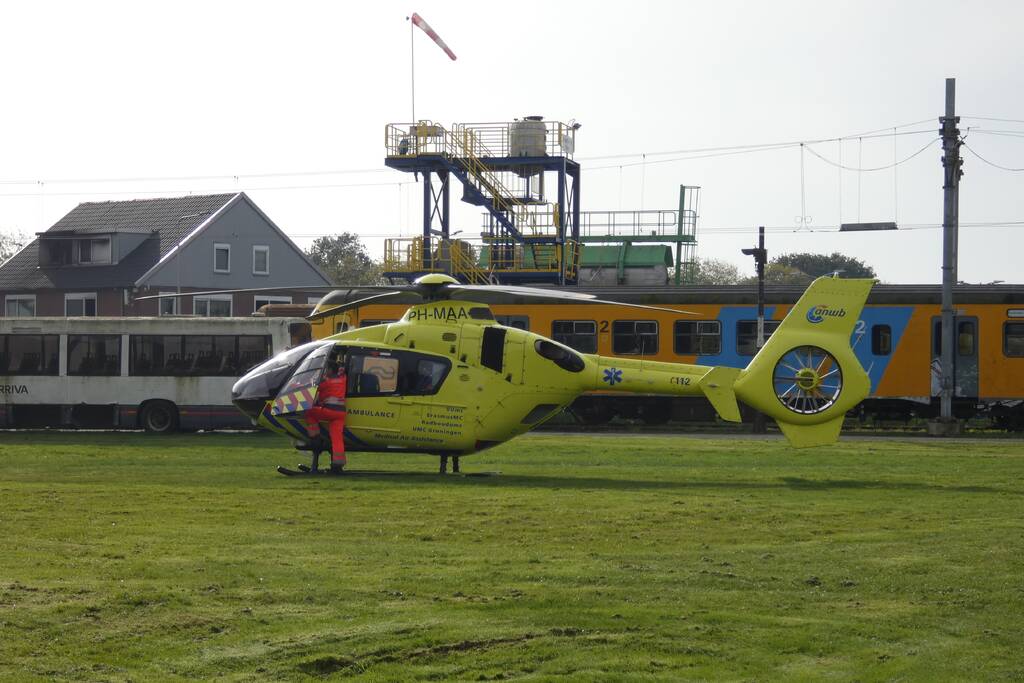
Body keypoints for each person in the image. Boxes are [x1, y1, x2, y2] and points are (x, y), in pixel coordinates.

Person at [305, 358, 348, 472]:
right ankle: (337, 464)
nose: (324, 371)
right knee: (337, 438)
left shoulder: (326, 382)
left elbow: (313, 388)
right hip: (341, 413)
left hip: (329, 411)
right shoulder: (343, 379)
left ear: (330, 370)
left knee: (309, 411)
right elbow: (343, 372)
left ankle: (315, 438)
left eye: (326, 369)